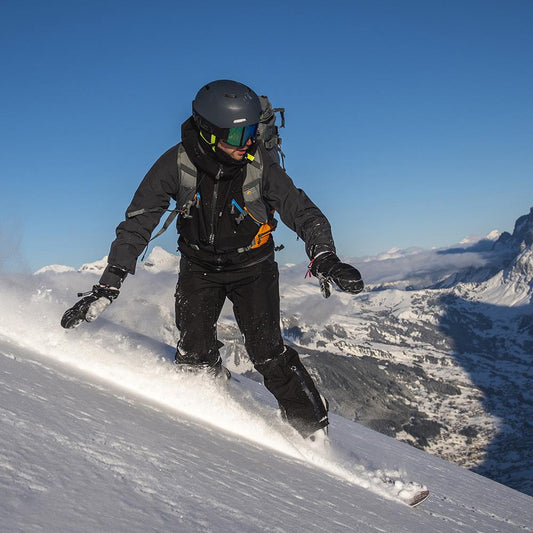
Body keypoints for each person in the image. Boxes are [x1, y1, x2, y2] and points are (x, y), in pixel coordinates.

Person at [61, 80, 364, 441]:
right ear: (208, 132)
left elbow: (302, 211)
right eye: (238, 135)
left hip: (253, 267)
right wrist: (108, 285)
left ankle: (313, 432)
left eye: (251, 131)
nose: (248, 141)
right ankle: (210, 406)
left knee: (267, 353)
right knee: (193, 351)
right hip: (199, 267)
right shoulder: (176, 164)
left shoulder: (259, 165)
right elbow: (138, 223)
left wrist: (324, 254)